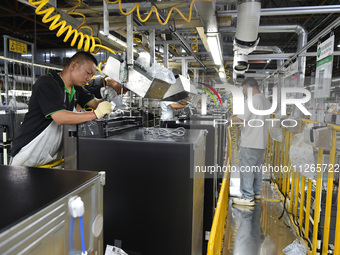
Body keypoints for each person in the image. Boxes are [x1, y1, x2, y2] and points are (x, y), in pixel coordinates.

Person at [10, 51, 112, 167]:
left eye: (91, 75)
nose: (89, 78)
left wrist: (106, 98)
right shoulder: (47, 83)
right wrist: (95, 114)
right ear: (73, 66)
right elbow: (60, 117)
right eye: (88, 73)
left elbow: (94, 103)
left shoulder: (77, 89)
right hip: (28, 157)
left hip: (52, 160)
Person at [231, 77, 271, 206]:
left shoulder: (252, 100)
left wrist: (228, 121)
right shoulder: (265, 100)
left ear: (249, 87)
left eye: (244, 91)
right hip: (261, 141)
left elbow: (241, 119)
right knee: (256, 168)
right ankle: (256, 192)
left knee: (247, 168)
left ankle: (247, 197)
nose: (244, 93)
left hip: (250, 140)